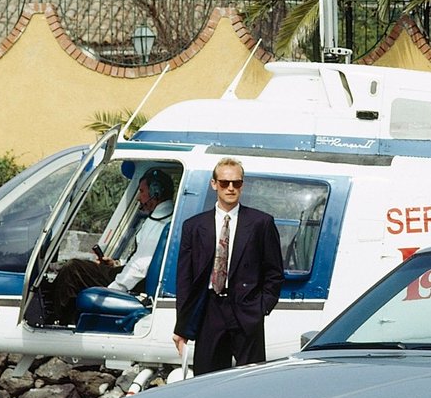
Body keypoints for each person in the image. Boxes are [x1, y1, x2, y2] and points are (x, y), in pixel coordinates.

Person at [172, 158, 284, 374]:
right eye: (224, 183)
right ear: (214, 184)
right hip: (209, 311)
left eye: (236, 183)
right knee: (207, 379)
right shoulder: (193, 227)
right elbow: (185, 279)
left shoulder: (261, 223)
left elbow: (275, 273)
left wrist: (261, 307)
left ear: (242, 185)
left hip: (247, 311)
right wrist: (181, 326)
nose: (230, 188)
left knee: (250, 379)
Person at [44, 169, 174, 326]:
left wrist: (113, 290)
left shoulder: (159, 223)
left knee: (73, 269)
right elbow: (144, 257)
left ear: (156, 192)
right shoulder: (162, 218)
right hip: (131, 276)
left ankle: (58, 321)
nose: (138, 197)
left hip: (134, 283)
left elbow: (140, 267)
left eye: (141, 191)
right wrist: (116, 264)